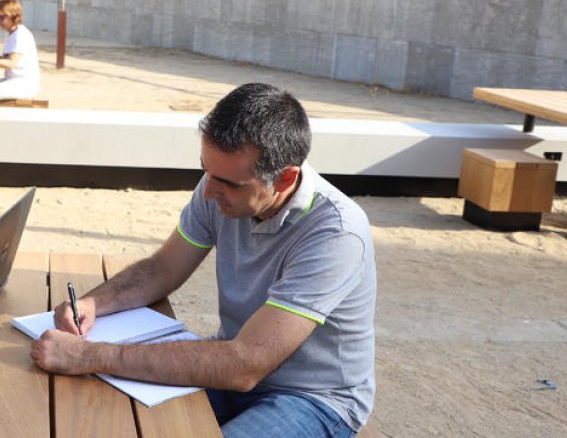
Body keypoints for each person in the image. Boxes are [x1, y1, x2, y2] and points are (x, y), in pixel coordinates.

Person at [31, 83, 376, 438]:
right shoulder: (221, 183)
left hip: (312, 398)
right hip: (231, 367)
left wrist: (90, 355)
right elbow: (162, 269)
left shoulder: (336, 233)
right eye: (205, 170)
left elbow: (247, 364)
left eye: (228, 183)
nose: (209, 192)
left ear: (285, 177)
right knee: (103, 416)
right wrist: (92, 304)